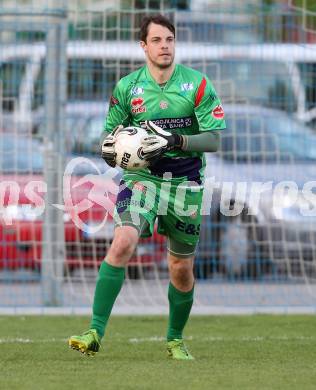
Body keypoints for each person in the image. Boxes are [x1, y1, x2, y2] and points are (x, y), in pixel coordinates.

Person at [69, 14, 226, 360]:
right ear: (144, 46)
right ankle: (94, 330)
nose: (164, 46)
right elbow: (108, 139)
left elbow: (214, 140)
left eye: (169, 39)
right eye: (156, 40)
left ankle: (174, 340)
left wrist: (177, 139)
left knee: (180, 269)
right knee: (123, 241)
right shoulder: (128, 88)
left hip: (186, 185)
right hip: (143, 181)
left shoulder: (197, 85)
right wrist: (112, 151)